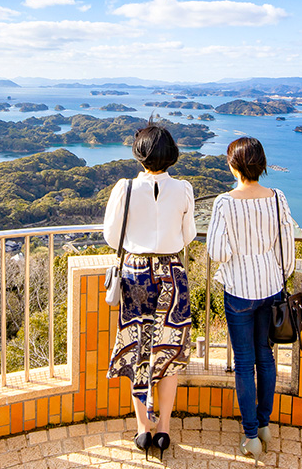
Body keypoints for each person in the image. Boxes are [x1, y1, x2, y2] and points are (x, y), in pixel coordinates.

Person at [102, 124, 196, 461]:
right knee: (169, 352)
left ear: (139, 153)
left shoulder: (124, 188)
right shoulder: (184, 189)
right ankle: (165, 430)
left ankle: (143, 428)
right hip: (172, 273)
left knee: (138, 346)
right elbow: (189, 235)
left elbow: (112, 237)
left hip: (136, 273)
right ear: (170, 154)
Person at [205, 137, 296, 462]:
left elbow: (217, 251)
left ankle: (250, 435)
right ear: (262, 165)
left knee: (244, 363)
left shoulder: (225, 203)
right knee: (265, 357)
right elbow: (286, 247)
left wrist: (238, 255)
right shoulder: (277, 198)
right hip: (271, 286)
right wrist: (276, 272)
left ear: (234, 166)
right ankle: (265, 426)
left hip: (239, 291)